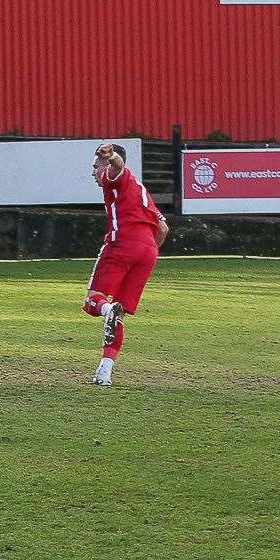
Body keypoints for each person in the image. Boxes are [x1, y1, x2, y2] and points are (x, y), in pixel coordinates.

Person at [83, 142, 169, 386]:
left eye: (95, 165)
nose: (93, 172)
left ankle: (108, 310)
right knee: (118, 312)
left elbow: (118, 167)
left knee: (93, 302)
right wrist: (147, 250)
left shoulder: (117, 177)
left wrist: (111, 157)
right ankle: (105, 371)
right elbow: (163, 227)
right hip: (148, 251)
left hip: (123, 245)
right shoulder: (141, 190)